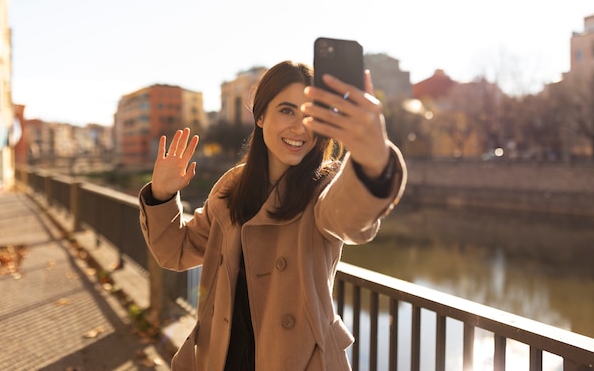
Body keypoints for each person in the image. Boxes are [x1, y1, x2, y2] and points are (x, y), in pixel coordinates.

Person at [138, 60, 406, 371]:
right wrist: (162, 196)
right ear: (261, 115)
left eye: (310, 115)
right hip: (223, 359)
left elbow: (350, 217)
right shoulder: (232, 188)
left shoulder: (324, 188)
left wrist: (371, 159)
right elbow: (176, 252)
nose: (299, 127)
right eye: (287, 110)